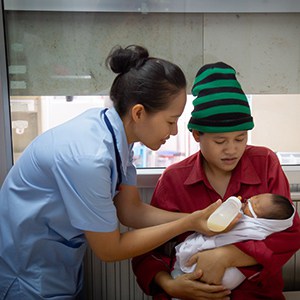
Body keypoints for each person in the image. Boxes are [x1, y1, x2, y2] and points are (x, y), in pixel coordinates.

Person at [0, 46, 230, 299]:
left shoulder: (116, 136)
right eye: (170, 121)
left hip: (57, 265)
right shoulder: (89, 158)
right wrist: (186, 223)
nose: (175, 131)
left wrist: (195, 218)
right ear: (139, 112)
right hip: (27, 272)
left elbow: (130, 210)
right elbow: (109, 250)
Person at [132, 62, 300, 300]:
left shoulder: (266, 164)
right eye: (220, 142)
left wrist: (228, 256)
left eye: (240, 138)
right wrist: (170, 285)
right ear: (197, 135)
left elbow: (290, 234)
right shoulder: (174, 180)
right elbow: (145, 251)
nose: (232, 150)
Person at [172, 193, 295, 291]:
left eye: (255, 204)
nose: (250, 200)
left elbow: (230, 234)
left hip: (229, 278)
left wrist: (224, 254)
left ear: (264, 220)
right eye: (255, 197)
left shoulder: (254, 229)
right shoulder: (173, 176)